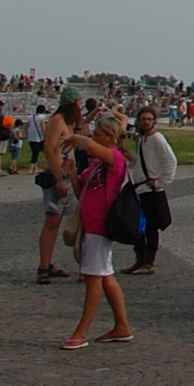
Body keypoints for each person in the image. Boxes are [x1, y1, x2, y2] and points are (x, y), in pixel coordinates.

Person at [61, 114, 135, 349]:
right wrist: (72, 174)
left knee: (93, 278)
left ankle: (81, 332)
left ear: (110, 137)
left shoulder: (114, 158)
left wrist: (76, 137)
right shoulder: (96, 164)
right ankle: (121, 326)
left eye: (98, 134)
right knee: (104, 275)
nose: (93, 138)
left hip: (100, 225)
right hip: (90, 222)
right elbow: (82, 192)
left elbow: (91, 147)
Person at [35, 87, 83, 285]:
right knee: (51, 222)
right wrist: (58, 180)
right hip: (57, 176)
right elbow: (49, 149)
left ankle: (48, 262)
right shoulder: (57, 121)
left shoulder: (67, 123)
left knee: (57, 221)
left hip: (65, 175)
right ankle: (43, 266)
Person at [129, 105, 177, 274]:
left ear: (154, 121)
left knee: (151, 227)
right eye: (143, 119)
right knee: (139, 226)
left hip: (151, 190)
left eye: (149, 119)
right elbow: (143, 162)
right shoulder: (143, 139)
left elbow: (170, 161)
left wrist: (160, 182)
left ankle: (149, 262)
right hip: (141, 188)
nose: (146, 122)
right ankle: (140, 259)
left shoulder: (157, 138)